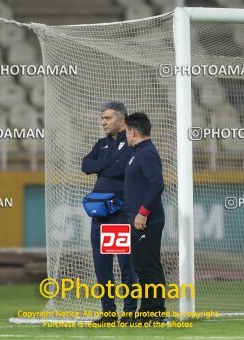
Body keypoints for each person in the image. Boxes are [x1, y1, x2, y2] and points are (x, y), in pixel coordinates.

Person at [81, 101, 137, 324]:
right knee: (101, 264)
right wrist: (108, 163)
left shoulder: (132, 142)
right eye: (102, 118)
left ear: (121, 120)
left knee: (126, 264)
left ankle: (130, 312)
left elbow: (121, 169)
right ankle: (109, 313)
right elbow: (85, 165)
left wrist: (101, 165)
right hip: (100, 212)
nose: (103, 122)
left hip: (120, 210)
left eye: (107, 118)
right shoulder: (102, 144)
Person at [124, 112, 167, 324]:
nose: (125, 136)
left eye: (126, 132)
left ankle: (156, 312)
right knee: (141, 267)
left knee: (149, 266)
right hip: (138, 220)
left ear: (132, 131)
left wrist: (143, 213)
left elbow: (158, 184)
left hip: (147, 220)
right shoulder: (138, 152)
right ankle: (146, 311)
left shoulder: (146, 153)